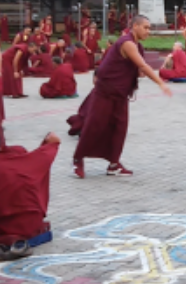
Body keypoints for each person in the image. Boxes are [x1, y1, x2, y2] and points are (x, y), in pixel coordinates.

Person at [71, 16, 173, 178]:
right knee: (94, 126)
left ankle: (113, 164)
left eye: (149, 28)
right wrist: (160, 83)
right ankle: (78, 159)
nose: (148, 31)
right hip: (105, 92)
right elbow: (142, 65)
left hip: (120, 95)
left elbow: (136, 68)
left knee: (119, 128)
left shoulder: (137, 46)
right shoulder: (127, 43)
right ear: (135, 26)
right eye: (145, 27)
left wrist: (137, 74)